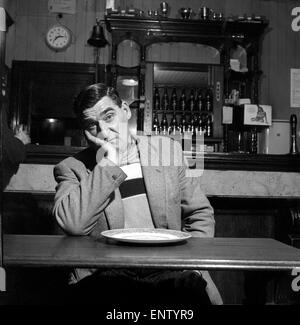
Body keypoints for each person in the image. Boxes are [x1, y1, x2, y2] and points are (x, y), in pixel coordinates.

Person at [52, 83, 223, 306]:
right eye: (92, 125)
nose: (103, 131)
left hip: (169, 269)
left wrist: (190, 264)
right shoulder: (71, 168)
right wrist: (108, 163)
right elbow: (73, 224)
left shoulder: (167, 151)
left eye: (109, 116)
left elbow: (200, 213)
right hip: (106, 276)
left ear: (125, 110)